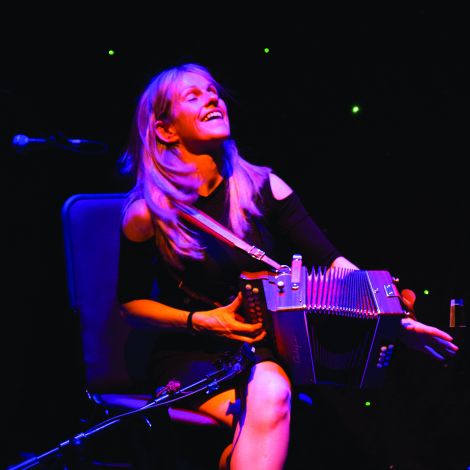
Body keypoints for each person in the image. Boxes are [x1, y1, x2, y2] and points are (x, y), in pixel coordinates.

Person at [117, 62, 459, 470]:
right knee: (268, 409)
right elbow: (130, 306)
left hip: (265, 347)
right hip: (192, 353)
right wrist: (205, 321)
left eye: (214, 91)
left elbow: (336, 265)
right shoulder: (147, 215)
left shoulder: (264, 186)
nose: (213, 98)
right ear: (165, 130)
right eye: (194, 96)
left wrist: (396, 321)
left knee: (278, 400)